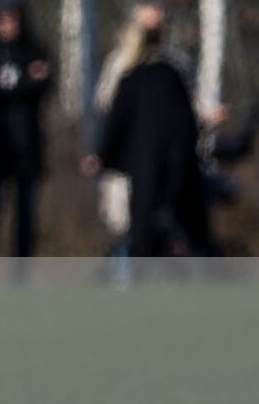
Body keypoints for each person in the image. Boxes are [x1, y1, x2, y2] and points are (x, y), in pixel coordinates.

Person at [86, 24, 210, 256]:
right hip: (181, 175)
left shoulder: (131, 80)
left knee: (140, 241)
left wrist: (101, 156)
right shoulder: (173, 76)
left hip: (145, 175)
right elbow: (190, 126)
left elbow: (116, 123)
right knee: (188, 242)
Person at [0, 0, 51, 257]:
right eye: (4, 20)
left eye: (14, 20)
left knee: (25, 220)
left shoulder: (35, 50)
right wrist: (25, 81)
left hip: (27, 148)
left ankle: (21, 279)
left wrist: (20, 85)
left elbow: (45, 83)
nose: (9, 26)